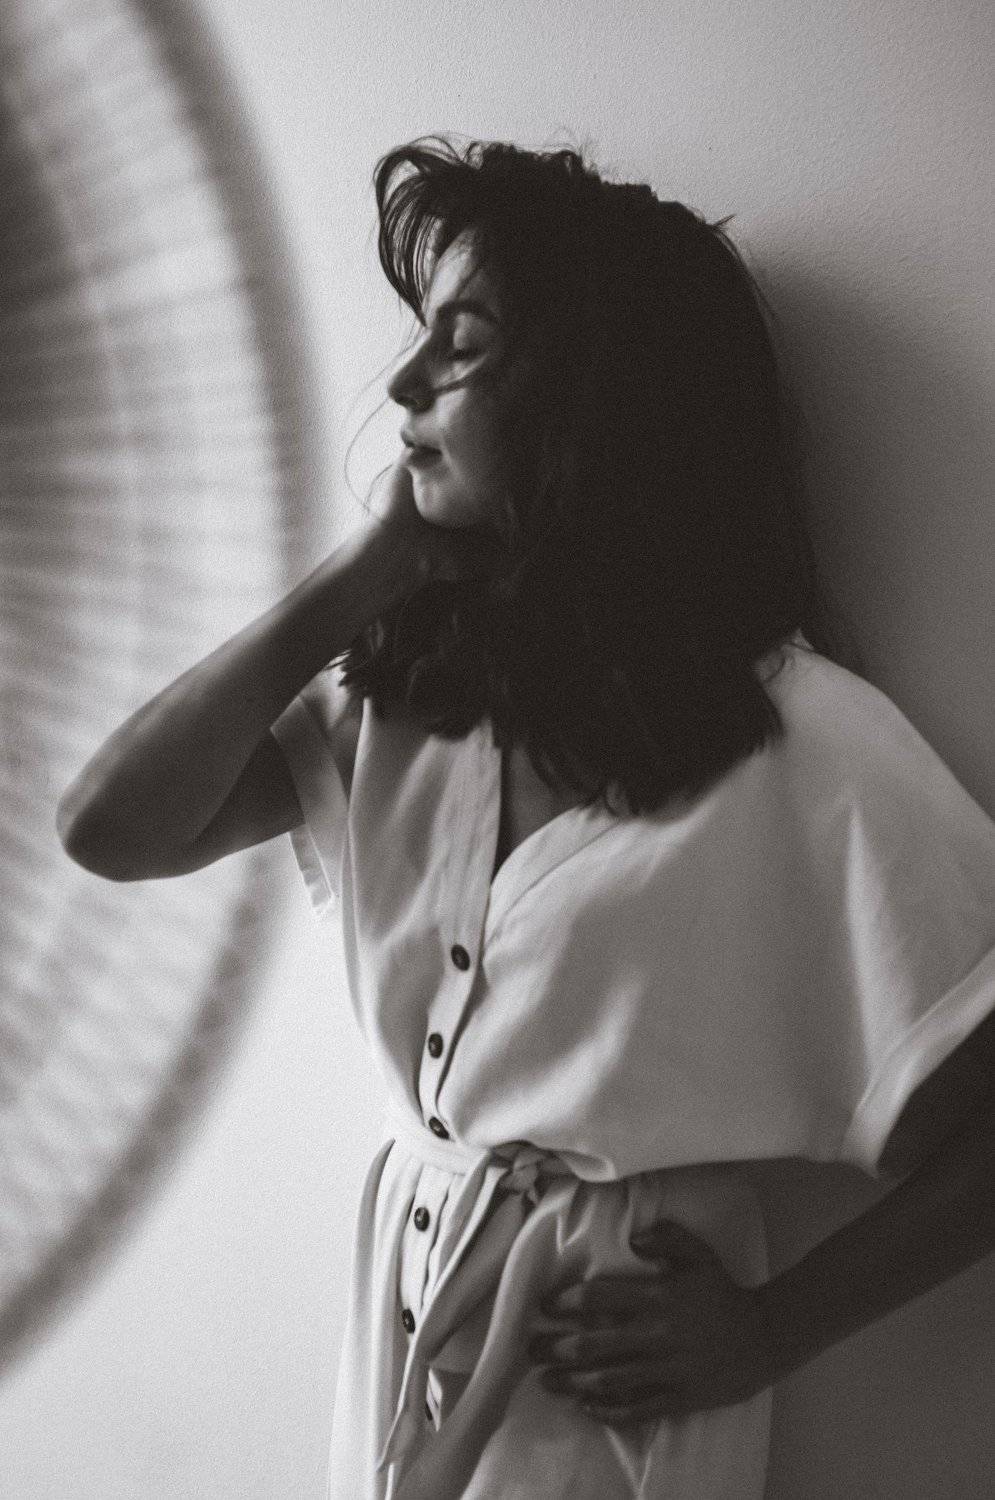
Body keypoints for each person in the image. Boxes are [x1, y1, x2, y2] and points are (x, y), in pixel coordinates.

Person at [57, 136, 995, 1500]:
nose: (403, 385)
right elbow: (110, 828)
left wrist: (774, 1329)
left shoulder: (809, 745)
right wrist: (358, 579)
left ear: (587, 398)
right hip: (407, 1305)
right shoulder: (408, 703)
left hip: (608, 1379)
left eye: (464, 346)